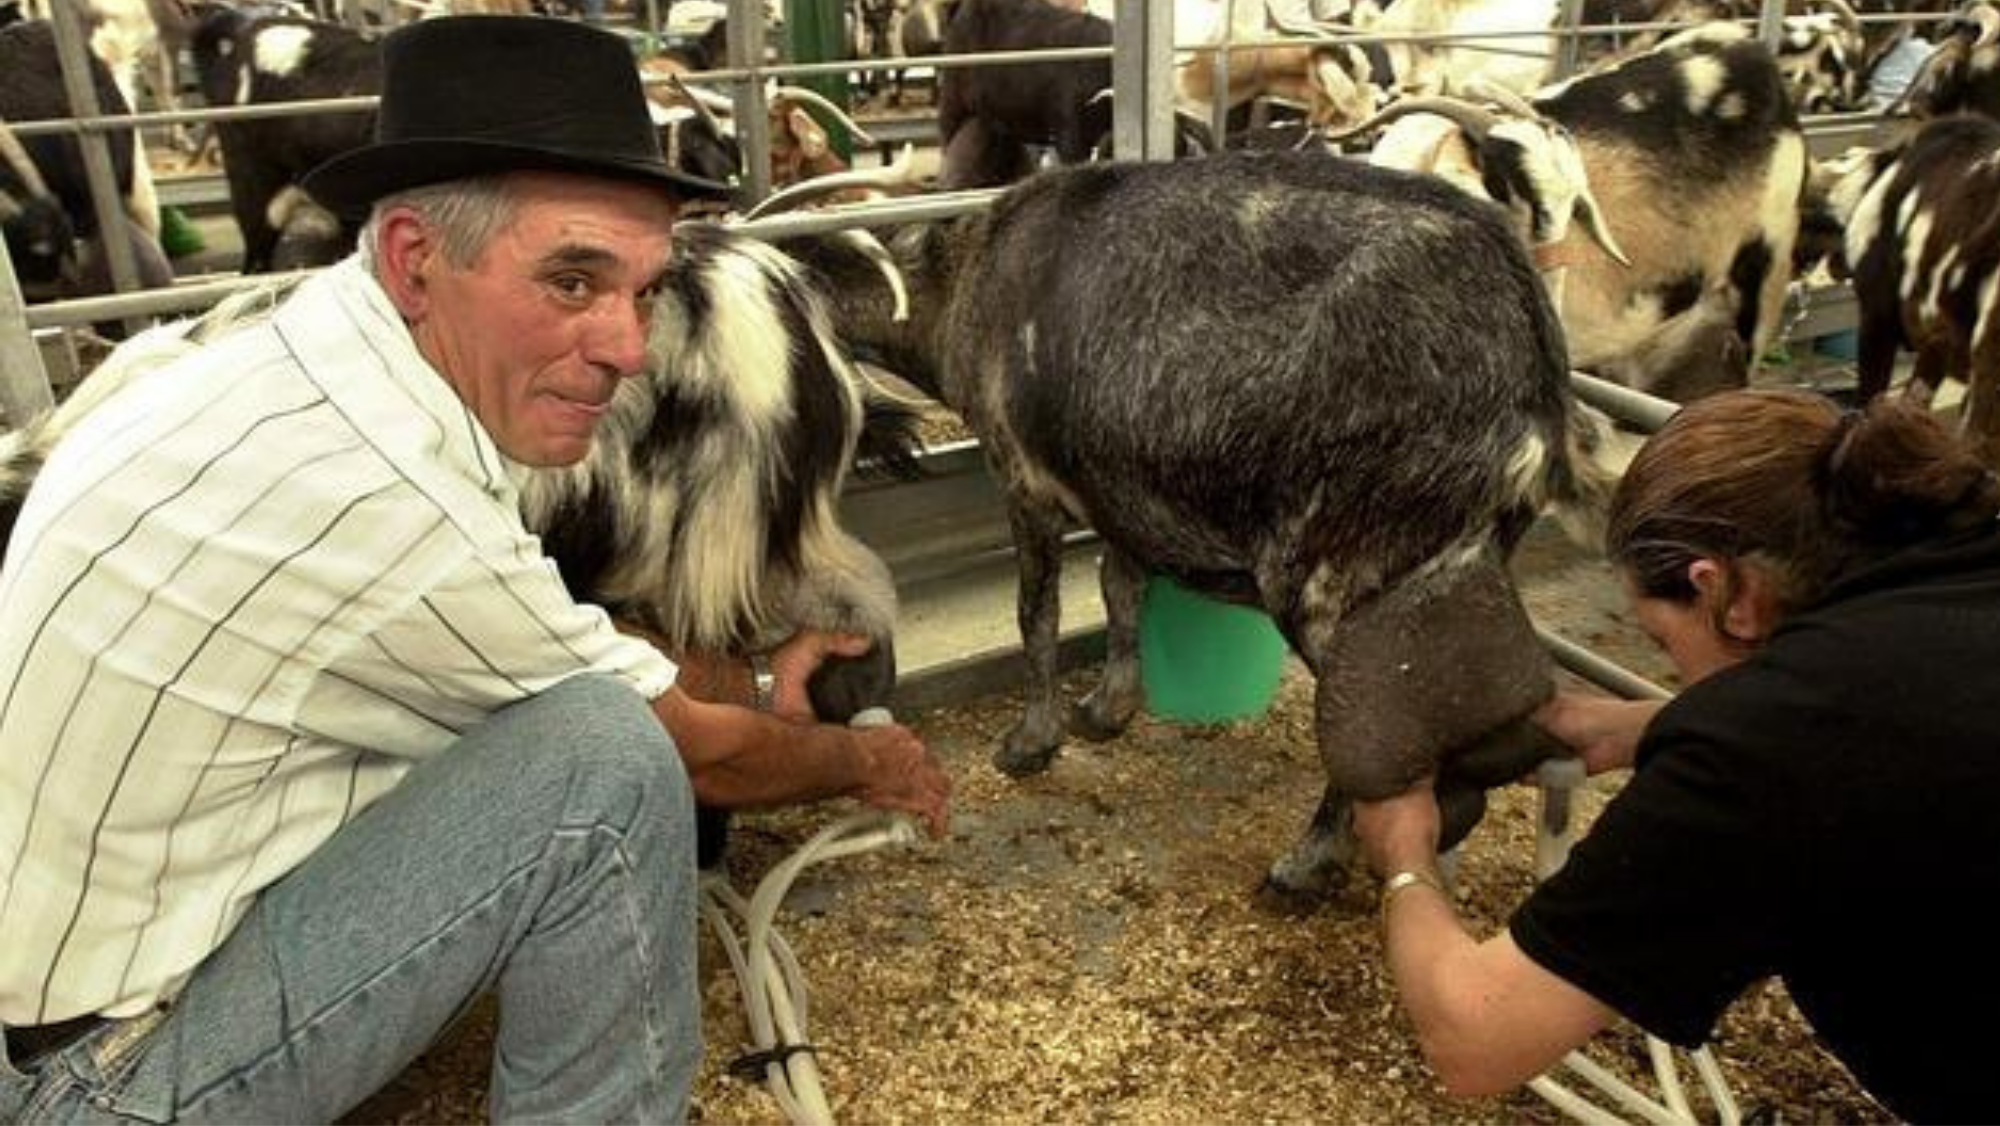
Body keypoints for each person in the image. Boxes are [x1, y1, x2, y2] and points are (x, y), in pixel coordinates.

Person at [0, 15, 950, 1124]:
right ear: (413, 257)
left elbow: (541, 634)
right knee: (603, 764)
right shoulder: (387, 496)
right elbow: (693, 759)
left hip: (61, 993)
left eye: (642, 291)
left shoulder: (290, 364)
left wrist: (743, 687)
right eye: (571, 281)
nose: (628, 346)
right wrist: (863, 758)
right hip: (99, 1081)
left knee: (576, 714)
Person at [1353, 388, 2000, 1123]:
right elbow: (1901, 720)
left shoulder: (1768, 746)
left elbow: (1473, 1036)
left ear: (1727, 590)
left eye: (1664, 643)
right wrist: (1655, 723)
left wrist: (1405, 854)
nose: (1676, 672)